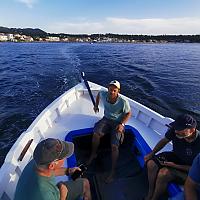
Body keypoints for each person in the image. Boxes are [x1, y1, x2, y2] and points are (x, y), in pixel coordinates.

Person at [144, 114, 200, 200]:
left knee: (163, 173)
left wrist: (174, 166)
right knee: (151, 164)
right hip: (176, 156)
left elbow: (196, 169)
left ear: (192, 130)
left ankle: (154, 198)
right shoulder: (175, 131)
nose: (176, 131)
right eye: (176, 128)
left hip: (190, 169)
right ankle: (150, 191)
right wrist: (152, 153)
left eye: (180, 130)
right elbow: (164, 141)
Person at [14, 138, 91, 200]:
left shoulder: (37, 161)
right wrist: (63, 196)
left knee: (83, 183)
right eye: (63, 157)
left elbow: (50, 171)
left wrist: (68, 171)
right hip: (51, 195)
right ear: (52, 165)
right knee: (85, 184)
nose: (64, 159)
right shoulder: (45, 194)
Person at [87, 80, 131, 183]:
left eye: (114, 90)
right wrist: (96, 105)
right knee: (96, 134)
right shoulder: (103, 93)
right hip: (106, 119)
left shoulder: (123, 101)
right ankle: (93, 154)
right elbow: (98, 95)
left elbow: (128, 113)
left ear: (118, 91)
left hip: (118, 123)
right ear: (108, 88)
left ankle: (113, 171)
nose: (112, 92)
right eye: (110, 89)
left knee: (114, 146)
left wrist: (122, 124)